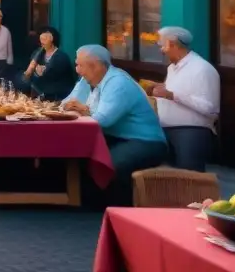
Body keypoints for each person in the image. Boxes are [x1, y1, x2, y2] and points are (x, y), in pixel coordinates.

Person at [63, 45, 167, 203]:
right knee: (75, 152)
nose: (77, 70)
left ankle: (116, 208)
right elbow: (65, 103)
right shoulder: (87, 79)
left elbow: (103, 120)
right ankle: (79, 198)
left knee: (111, 164)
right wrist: (72, 107)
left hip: (145, 142)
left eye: (80, 65)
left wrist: (85, 110)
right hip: (115, 136)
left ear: (96, 66)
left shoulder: (118, 82)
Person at [151, 26, 220, 172]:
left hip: (191, 132)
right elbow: (181, 91)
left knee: (190, 178)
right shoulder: (172, 68)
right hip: (165, 130)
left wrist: (172, 94)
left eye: (163, 45)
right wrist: (162, 89)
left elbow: (211, 109)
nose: (161, 50)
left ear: (173, 44)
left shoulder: (202, 69)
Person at [17, 27, 75, 100]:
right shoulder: (37, 53)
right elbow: (27, 76)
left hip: (58, 97)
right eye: (41, 38)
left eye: (45, 38)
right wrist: (31, 69)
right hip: (41, 96)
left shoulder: (61, 57)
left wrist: (36, 71)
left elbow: (46, 76)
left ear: (53, 39)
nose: (42, 41)